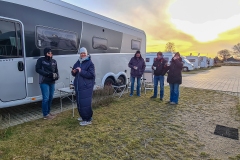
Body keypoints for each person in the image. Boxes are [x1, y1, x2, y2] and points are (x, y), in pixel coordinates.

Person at [71, 47, 95, 126]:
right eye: (81, 53)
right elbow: (74, 72)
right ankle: (83, 116)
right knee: (80, 102)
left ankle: (87, 119)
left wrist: (81, 71)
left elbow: (91, 75)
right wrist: (73, 72)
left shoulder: (90, 63)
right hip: (78, 86)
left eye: (84, 53)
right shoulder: (78, 62)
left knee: (85, 103)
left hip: (86, 87)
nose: (83, 54)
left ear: (87, 53)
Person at [36, 47, 59, 120]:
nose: (50, 54)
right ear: (45, 53)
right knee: (45, 98)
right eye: (49, 53)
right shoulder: (41, 60)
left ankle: (48, 112)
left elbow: (56, 70)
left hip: (52, 82)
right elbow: (37, 69)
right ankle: (45, 114)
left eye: (51, 53)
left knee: (51, 97)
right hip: (44, 81)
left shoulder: (54, 61)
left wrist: (57, 76)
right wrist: (48, 74)